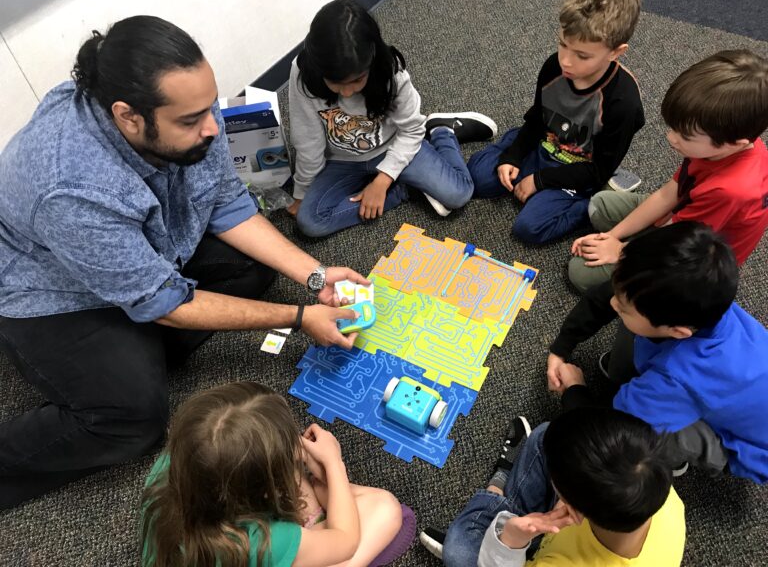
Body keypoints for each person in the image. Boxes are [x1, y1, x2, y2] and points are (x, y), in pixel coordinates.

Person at [0, 15, 371, 509]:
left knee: (250, 269)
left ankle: (137, 343)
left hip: (144, 250)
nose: (213, 128)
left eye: (208, 107)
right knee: (134, 414)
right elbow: (163, 302)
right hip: (49, 292)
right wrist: (300, 317)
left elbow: (226, 201)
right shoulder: (71, 187)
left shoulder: (187, 113)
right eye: (192, 121)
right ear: (129, 116)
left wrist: (315, 273)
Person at [548, 222, 768, 483]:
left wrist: (574, 390)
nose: (612, 302)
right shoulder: (693, 298)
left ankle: (665, 458)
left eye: (624, 306)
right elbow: (610, 296)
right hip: (739, 388)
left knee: (640, 436)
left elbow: (608, 430)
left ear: (678, 331)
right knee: (637, 324)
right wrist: (561, 347)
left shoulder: (677, 379)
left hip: (754, 449)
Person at [141, 381, 416, 567]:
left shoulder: (172, 464)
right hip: (258, 550)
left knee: (316, 489)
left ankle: (319, 499)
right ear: (262, 490)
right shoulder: (263, 541)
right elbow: (347, 542)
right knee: (389, 511)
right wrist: (334, 465)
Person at [287, 0, 498, 236]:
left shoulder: (391, 73)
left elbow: (410, 131)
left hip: (392, 145)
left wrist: (382, 181)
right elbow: (308, 142)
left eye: (357, 80)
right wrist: (301, 192)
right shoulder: (303, 73)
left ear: (372, 61)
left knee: (459, 194)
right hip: (341, 160)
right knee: (310, 223)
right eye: (336, 83)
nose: (346, 93)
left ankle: (442, 132)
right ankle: (404, 189)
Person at [569, 49, 768, 293]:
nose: (671, 138)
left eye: (684, 135)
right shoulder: (725, 142)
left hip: (695, 257)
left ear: (733, 143)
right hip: (686, 213)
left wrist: (620, 250)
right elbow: (668, 194)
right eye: (673, 128)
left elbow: (678, 243)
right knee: (599, 205)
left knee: (579, 273)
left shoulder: (731, 190)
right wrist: (613, 235)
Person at [467, 0, 644, 244]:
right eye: (562, 44)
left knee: (530, 228)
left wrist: (540, 181)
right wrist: (513, 155)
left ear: (616, 52)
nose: (566, 61)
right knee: (478, 177)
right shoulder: (554, 67)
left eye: (582, 55)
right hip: (543, 145)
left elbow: (597, 170)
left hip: (578, 170)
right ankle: (513, 151)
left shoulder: (623, 104)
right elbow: (537, 119)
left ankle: (597, 201)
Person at [419, 408, 685, 566]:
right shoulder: (658, 489)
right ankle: (500, 494)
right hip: (564, 524)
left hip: (534, 549)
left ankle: (497, 488)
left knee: (459, 549)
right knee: (548, 435)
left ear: (572, 507)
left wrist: (510, 538)